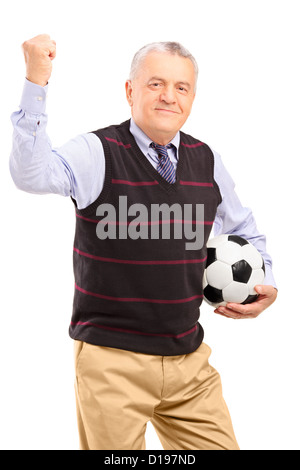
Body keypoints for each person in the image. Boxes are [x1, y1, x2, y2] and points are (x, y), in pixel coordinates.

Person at [10, 34, 277, 451]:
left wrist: (267, 282)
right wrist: (36, 83)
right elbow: (32, 175)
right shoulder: (98, 151)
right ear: (130, 91)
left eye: (181, 87)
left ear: (192, 98)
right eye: (156, 84)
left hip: (188, 360)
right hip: (112, 361)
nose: (169, 96)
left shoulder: (205, 159)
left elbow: (245, 229)